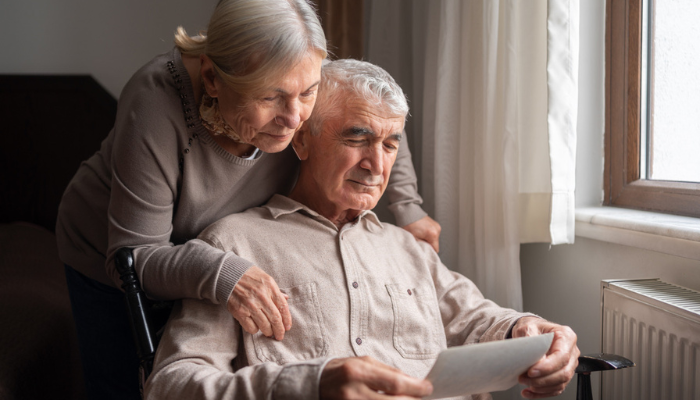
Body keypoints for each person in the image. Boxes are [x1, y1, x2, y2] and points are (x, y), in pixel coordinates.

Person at [55, 1, 439, 398]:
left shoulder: (295, 67)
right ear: (212, 78)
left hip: (213, 241)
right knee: (125, 384)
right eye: (271, 97)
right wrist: (223, 272)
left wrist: (408, 208)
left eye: (307, 93)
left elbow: (376, 115)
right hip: (115, 255)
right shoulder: (155, 100)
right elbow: (134, 258)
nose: (294, 118)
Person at [144, 59, 579, 400]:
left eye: (389, 144)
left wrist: (530, 329)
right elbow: (171, 384)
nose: (377, 165)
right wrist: (307, 386)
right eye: (357, 138)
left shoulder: (408, 250)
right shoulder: (233, 245)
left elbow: (476, 318)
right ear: (302, 140)